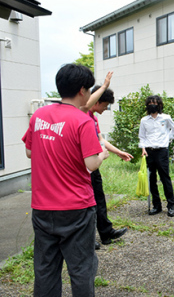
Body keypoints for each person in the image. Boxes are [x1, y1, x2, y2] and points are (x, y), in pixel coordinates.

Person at [22, 64, 109, 296]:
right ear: (82, 90)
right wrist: (103, 153)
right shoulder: (82, 121)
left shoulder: (39, 115)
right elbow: (91, 164)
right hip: (76, 208)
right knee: (81, 268)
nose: (90, 93)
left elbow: (29, 152)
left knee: (45, 268)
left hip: (42, 207)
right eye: (89, 89)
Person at [87, 85, 133, 247]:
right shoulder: (81, 115)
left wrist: (118, 152)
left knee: (99, 200)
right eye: (105, 105)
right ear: (97, 101)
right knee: (87, 204)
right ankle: (88, 239)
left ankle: (106, 233)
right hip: (84, 168)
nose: (106, 109)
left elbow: (101, 140)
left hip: (94, 166)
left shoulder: (93, 117)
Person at [139, 95, 174, 217]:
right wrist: (143, 149)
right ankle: (157, 206)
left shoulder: (165, 118)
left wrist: (168, 139)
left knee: (165, 178)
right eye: (150, 103)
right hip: (149, 152)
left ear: (159, 105)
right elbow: (142, 136)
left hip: (162, 151)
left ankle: (171, 206)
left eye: (155, 103)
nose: (152, 105)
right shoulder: (144, 120)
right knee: (151, 179)